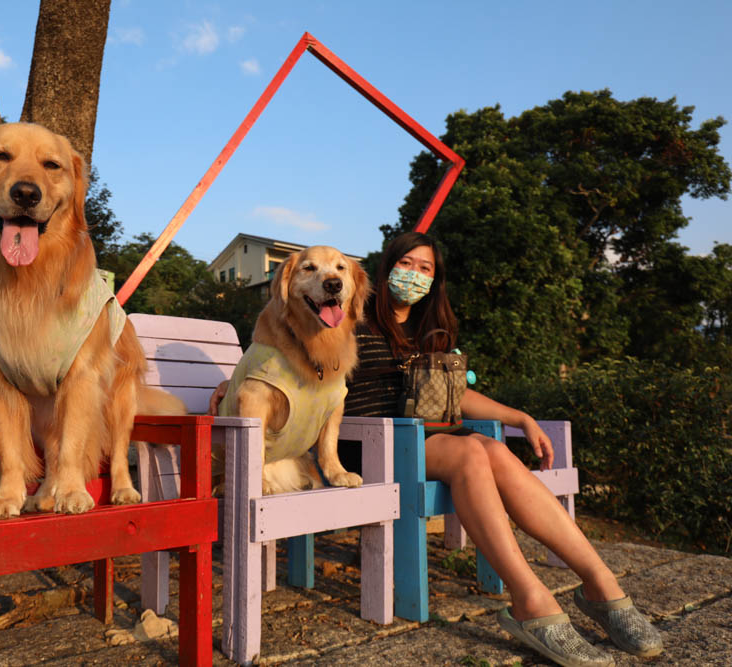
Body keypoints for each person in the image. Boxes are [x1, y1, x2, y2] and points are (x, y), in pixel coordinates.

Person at [210, 233, 662, 667]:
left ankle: (602, 585)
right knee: (472, 454)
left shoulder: (430, 328)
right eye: (405, 264)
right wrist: (233, 382)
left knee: (495, 451)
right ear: (386, 270)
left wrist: (520, 417)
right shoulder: (348, 316)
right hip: (366, 442)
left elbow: (455, 395)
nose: (414, 274)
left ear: (434, 279)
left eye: (424, 267)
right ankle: (530, 599)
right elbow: (280, 359)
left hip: (423, 438)